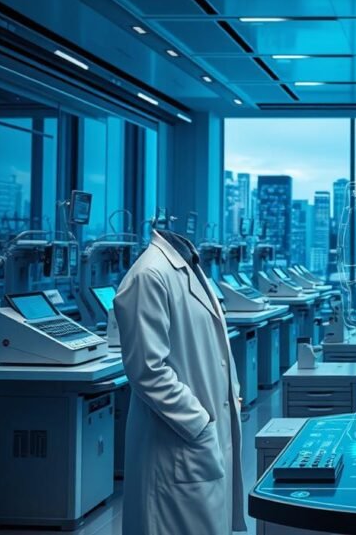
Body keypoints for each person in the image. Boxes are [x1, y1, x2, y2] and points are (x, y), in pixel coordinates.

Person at [114, 228, 247, 534]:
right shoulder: (149, 275)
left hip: (197, 437)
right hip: (177, 440)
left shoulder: (189, 268)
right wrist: (198, 423)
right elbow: (147, 370)